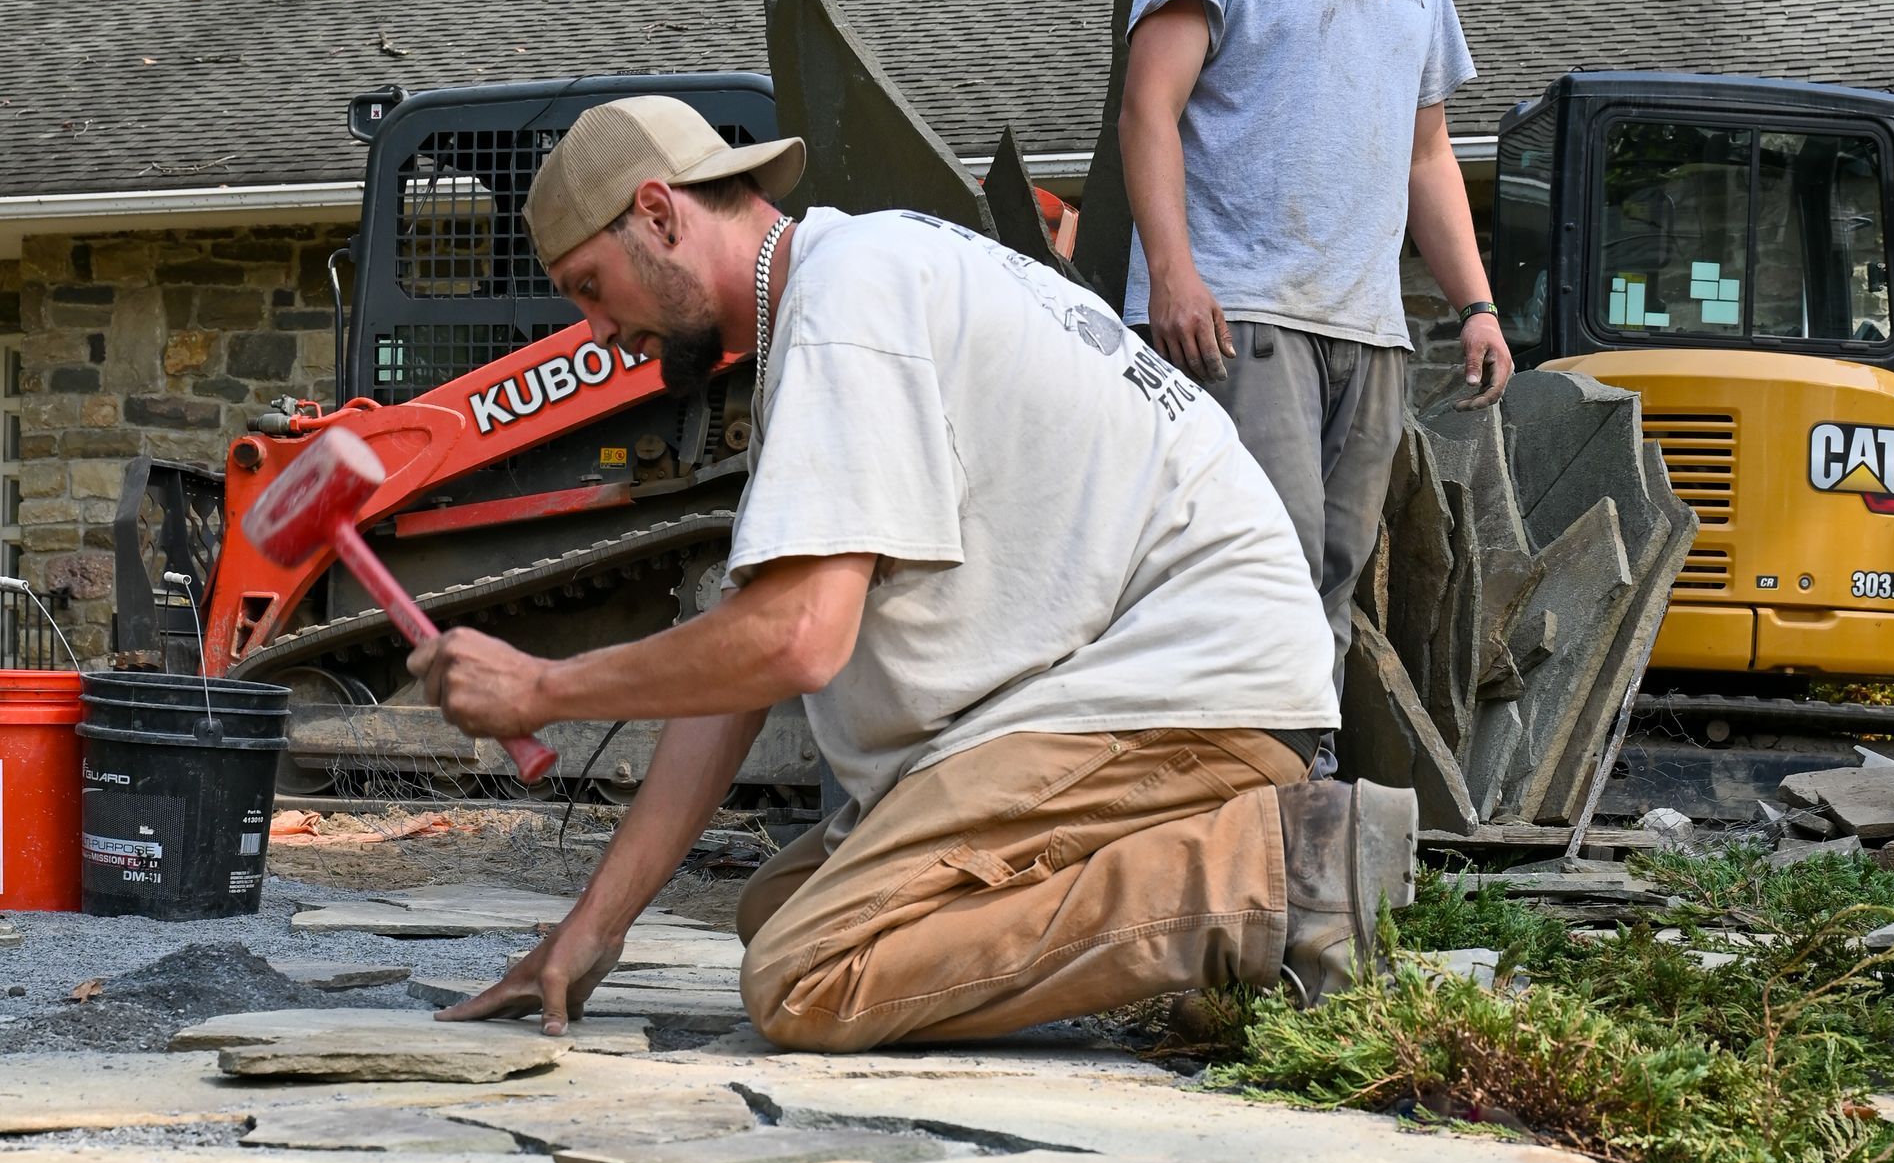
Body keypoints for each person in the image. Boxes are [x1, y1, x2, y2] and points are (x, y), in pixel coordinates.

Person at [406, 95, 1416, 1051]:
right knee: (779, 911)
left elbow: (800, 638)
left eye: (590, 287)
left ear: (659, 215)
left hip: (1186, 695)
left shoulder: (849, 295)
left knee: (809, 974)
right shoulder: (852, 282)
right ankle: (1210, 937)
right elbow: (745, 673)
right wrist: (595, 929)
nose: (596, 330)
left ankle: (1272, 872)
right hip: (1151, 687)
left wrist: (543, 688)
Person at [1118, 0, 1513, 690]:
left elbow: (1428, 155)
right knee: (1265, 562)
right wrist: (1174, 275)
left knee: (1332, 575)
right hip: (1233, 314)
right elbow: (1147, 110)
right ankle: (1246, 802)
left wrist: (1475, 304)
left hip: (1368, 329)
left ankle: (1296, 801)